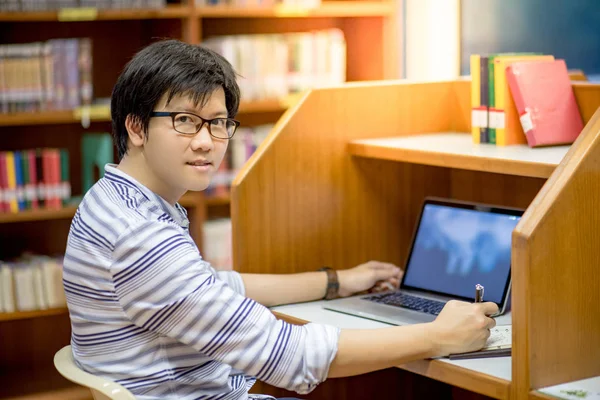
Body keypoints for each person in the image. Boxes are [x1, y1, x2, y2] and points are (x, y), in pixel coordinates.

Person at [63, 39, 498, 400]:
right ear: (136, 127)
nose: (206, 142)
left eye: (217, 123)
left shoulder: (111, 201)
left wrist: (337, 281)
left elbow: (212, 286)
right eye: (184, 121)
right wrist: (440, 336)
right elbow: (290, 355)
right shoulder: (140, 237)